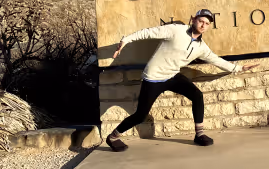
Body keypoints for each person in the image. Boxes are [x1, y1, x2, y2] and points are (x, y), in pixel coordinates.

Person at [103, 9, 260, 151]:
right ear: (193, 19)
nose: (203, 25)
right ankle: (113, 136)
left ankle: (199, 135)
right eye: (201, 21)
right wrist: (126, 40)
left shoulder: (201, 47)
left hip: (172, 76)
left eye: (207, 23)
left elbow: (215, 60)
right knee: (141, 115)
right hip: (153, 78)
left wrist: (238, 68)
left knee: (197, 95)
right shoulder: (175, 30)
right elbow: (148, 32)